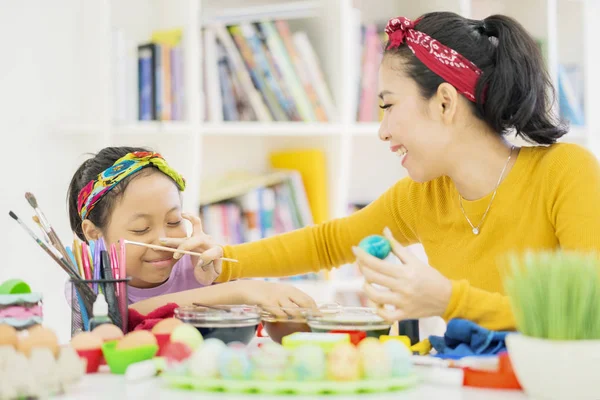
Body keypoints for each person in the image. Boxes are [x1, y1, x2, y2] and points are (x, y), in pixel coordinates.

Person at [187, 12, 600, 331]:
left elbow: (588, 313)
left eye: (388, 106)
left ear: (444, 103)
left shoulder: (564, 172)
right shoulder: (424, 197)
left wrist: (450, 301)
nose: (383, 131)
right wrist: (222, 261)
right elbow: (329, 243)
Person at [66, 147, 317, 315]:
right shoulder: (88, 285)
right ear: (94, 233)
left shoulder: (200, 266)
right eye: (141, 229)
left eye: (174, 221)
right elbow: (125, 321)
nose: (162, 240)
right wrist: (233, 292)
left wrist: (224, 280)